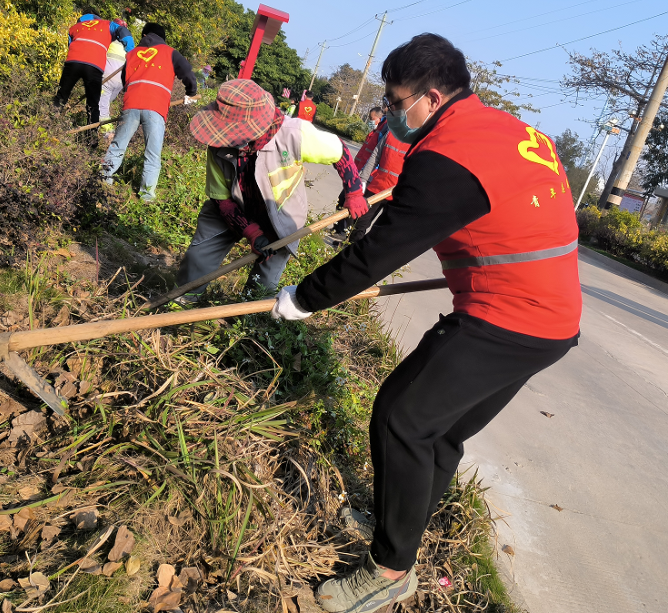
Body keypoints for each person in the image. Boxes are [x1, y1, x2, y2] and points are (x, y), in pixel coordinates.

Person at [270, 34, 582, 612]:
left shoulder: (449, 157)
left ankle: (390, 569)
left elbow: (376, 255)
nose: (391, 114)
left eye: (396, 101)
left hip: (509, 320)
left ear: (432, 98)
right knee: (438, 434)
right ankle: (399, 522)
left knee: (400, 418)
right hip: (552, 318)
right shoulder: (509, 131)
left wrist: (303, 298)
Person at [175, 79, 368, 298]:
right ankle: (183, 301)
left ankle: (245, 320)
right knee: (199, 257)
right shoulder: (218, 144)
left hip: (280, 211)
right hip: (233, 205)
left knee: (263, 283)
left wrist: (353, 192)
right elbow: (222, 200)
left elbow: (339, 150)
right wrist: (251, 232)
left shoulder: (295, 134)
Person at [101, 22, 197, 203]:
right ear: (162, 37)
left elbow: (123, 80)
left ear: (144, 35)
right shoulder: (170, 52)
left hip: (131, 104)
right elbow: (188, 73)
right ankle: (146, 196)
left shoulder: (131, 54)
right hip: (156, 107)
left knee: (118, 145)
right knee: (152, 153)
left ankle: (104, 178)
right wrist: (191, 92)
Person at [53, 10, 134, 129]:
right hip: (95, 66)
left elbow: (70, 46)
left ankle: (49, 125)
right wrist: (131, 51)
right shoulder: (107, 25)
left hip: (73, 62)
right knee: (93, 105)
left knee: (61, 96)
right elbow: (123, 31)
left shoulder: (75, 27)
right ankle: (92, 140)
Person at [347, 108, 409, 244]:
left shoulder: (417, 142)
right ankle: (349, 247)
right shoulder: (391, 134)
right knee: (360, 220)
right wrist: (363, 180)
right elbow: (375, 155)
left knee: (382, 231)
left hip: (396, 194)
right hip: (377, 187)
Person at [98, 35, 128, 146]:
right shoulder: (126, 45)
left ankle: (108, 133)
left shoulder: (108, 40)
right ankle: (100, 126)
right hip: (120, 80)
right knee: (106, 104)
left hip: (108, 77)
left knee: (101, 105)